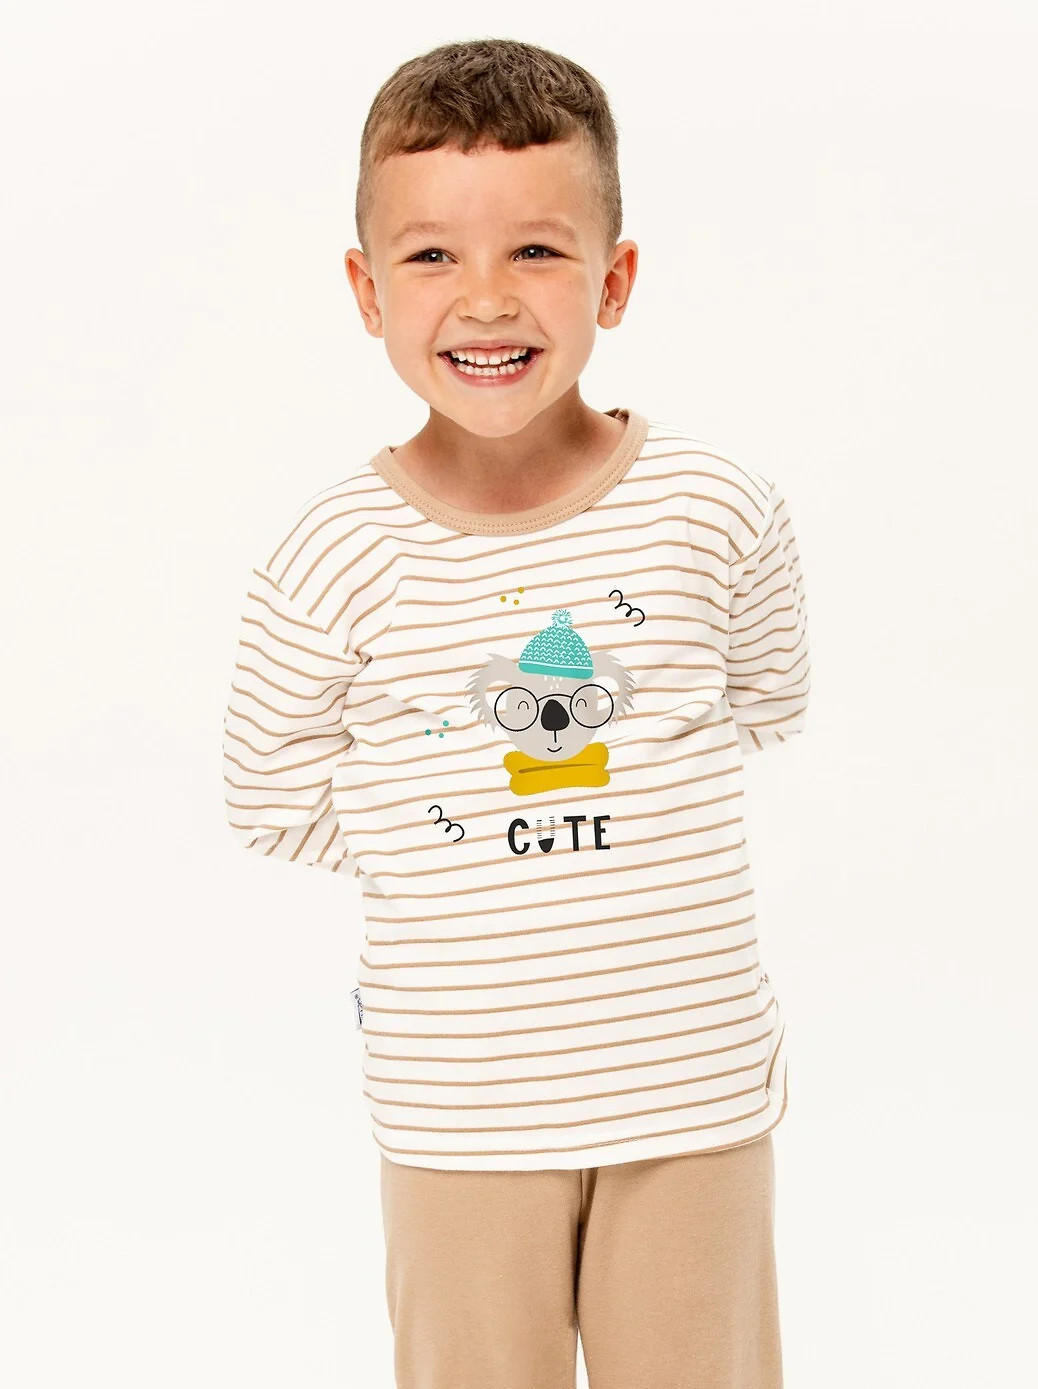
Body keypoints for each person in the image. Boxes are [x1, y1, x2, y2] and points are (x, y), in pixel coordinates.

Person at [222, 35, 811, 1389]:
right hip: (462, 1110)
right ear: (367, 291)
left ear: (614, 278)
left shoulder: (716, 506)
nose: (485, 299)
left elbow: (766, 700)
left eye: (536, 251)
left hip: (694, 1091)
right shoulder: (333, 554)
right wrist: (453, 830)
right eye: (431, 255)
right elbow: (268, 795)